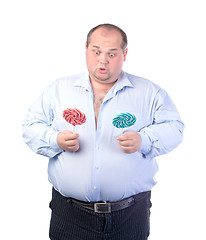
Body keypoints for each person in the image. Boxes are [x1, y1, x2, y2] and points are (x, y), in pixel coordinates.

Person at [22, 23, 184, 240]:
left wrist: (144, 140)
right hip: (69, 215)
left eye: (112, 53)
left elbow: (175, 128)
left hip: (130, 216)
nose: (103, 59)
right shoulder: (59, 89)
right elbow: (30, 126)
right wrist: (54, 139)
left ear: (124, 54)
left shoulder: (149, 92)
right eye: (96, 51)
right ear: (86, 49)